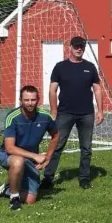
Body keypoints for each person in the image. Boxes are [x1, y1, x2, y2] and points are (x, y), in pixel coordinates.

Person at [41, 36, 104, 190]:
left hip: (86, 114)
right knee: (57, 146)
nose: (79, 49)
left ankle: (84, 178)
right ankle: (48, 178)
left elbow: (97, 89)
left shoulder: (90, 67)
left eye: (81, 46)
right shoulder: (60, 67)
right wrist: (54, 111)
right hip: (65, 113)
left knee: (86, 148)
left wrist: (100, 110)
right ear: (70, 47)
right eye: (76, 46)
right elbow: (52, 90)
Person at [0, 85, 59, 210]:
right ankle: (14, 198)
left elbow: (56, 135)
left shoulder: (45, 117)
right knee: (18, 161)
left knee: (30, 200)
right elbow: (10, 148)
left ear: (38, 99)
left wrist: (48, 157)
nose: (30, 103)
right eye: (26, 100)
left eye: (33, 100)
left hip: (29, 160)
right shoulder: (13, 117)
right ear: (21, 100)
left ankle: (8, 188)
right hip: (8, 156)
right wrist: (35, 156)